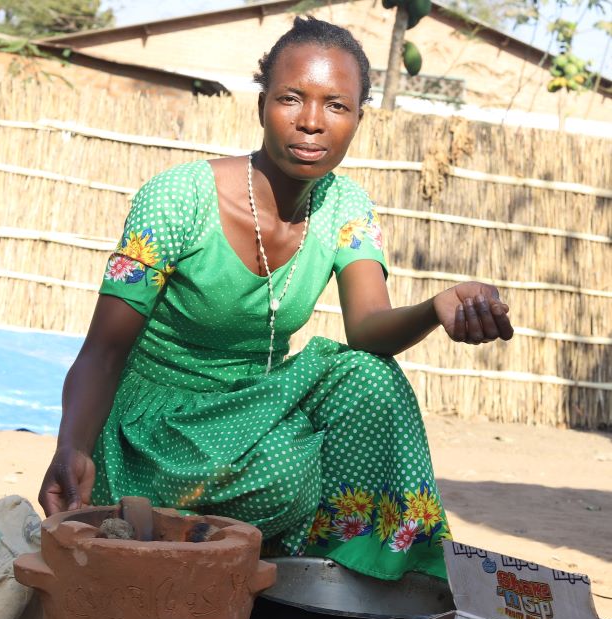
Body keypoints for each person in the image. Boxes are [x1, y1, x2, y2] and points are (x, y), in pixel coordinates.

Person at [37, 16, 513, 580]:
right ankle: (256, 560)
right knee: (284, 472)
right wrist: (72, 448)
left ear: (360, 118)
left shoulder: (345, 207)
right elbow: (104, 351)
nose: (311, 122)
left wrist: (435, 308)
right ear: (262, 105)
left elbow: (368, 329)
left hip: (256, 411)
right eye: (292, 98)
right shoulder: (177, 199)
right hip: (160, 429)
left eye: (336, 106)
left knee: (369, 378)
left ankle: (350, 582)